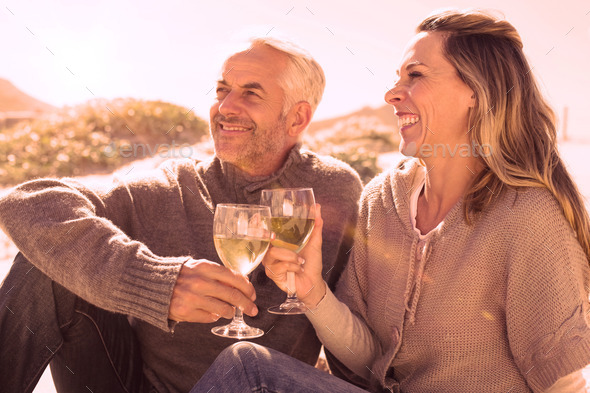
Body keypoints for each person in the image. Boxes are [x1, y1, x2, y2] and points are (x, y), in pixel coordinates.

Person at [190, 9, 590, 393]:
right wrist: (312, 291)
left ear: (476, 90)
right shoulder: (383, 199)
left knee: (247, 369)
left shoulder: (527, 216)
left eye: (415, 75)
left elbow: (562, 382)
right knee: (246, 361)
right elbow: (372, 360)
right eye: (397, 77)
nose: (392, 93)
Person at [0, 38, 363, 392]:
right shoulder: (172, 184)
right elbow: (28, 202)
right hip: (133, 383)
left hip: (262, 383)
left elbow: (356, 336)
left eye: (250, 93)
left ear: (297, 117)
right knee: (42, 264)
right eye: (222, 90)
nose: (224, 107)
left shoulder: (335, 190)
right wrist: (152, 283)